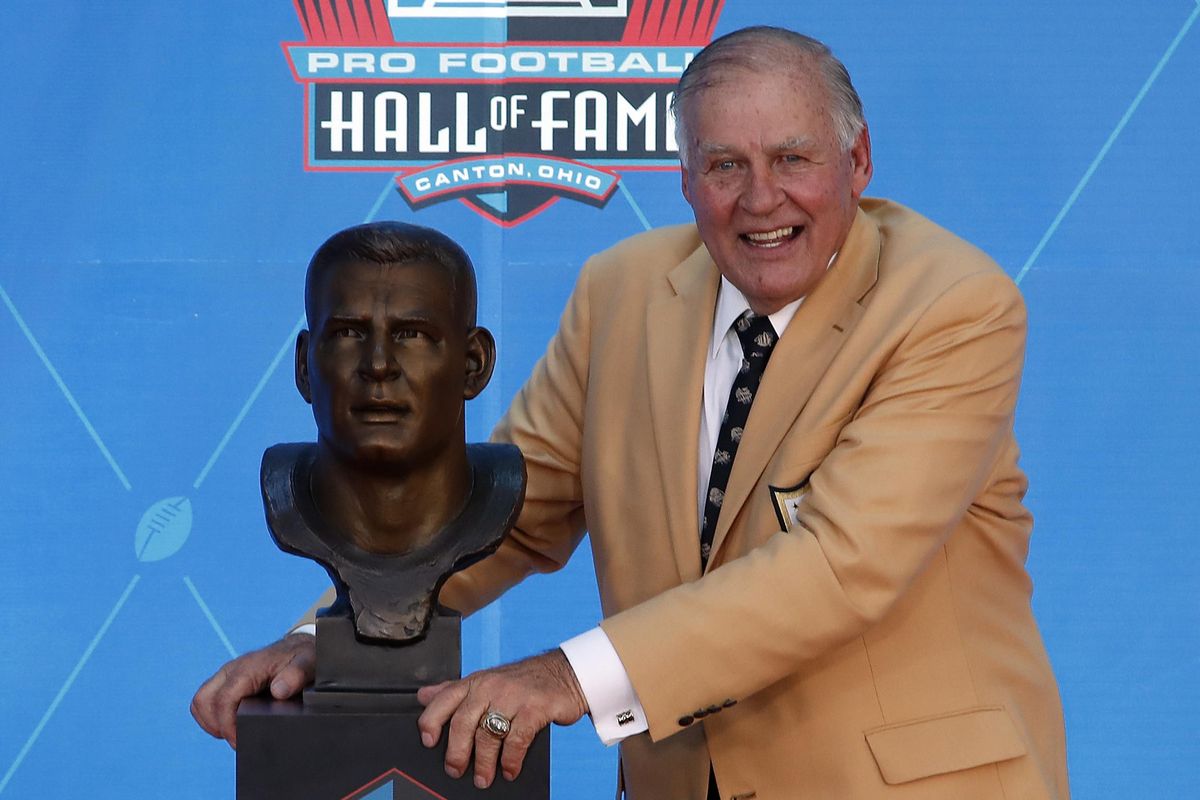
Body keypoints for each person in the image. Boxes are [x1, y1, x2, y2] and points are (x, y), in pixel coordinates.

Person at [193, 27, 1069, 799]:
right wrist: (333, 639)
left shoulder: (955, 306)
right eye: (726, 165)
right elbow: (508, 512)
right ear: (684, 178)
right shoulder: (621, 291)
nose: (761, 199)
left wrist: (568, 677)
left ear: (859, 160)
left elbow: (841, 566)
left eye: (793, 159)